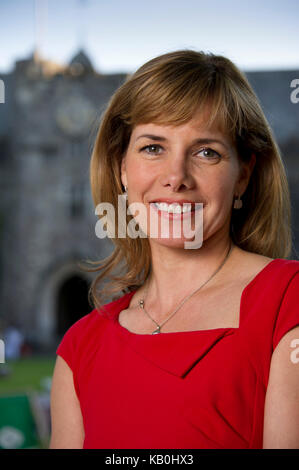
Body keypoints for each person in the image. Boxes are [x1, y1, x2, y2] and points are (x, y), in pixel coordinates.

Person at [50, 49, 299, 449]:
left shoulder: (288, 303)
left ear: (243, 175)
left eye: (206, 152)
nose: (176, 177)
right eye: (153, 147)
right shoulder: (80, 349)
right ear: (122, 168)